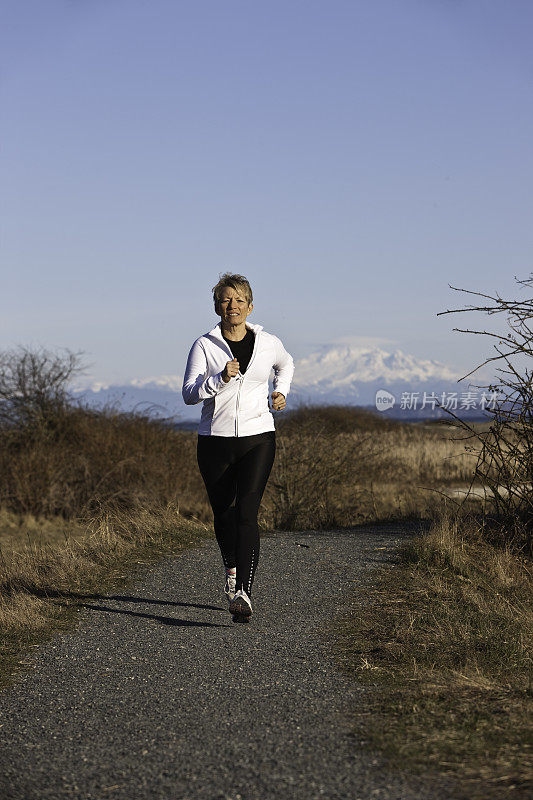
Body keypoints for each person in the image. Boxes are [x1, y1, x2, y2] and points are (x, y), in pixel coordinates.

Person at [182, 272, 295, 622]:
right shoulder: (204, 345)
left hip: (258, 437)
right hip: (214, 441)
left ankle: (244, 593)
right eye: (226, 300)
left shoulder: (267, 342)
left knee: (247, 512)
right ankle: (231, 567)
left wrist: (281, 392)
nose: (233, 306)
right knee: (223, 513)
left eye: (239, 300)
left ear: (250, 306)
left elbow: (286, 364)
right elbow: (188, 393)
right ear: (217, 306)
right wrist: (220, 379)